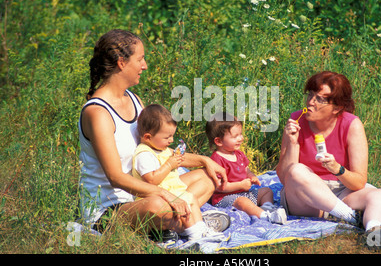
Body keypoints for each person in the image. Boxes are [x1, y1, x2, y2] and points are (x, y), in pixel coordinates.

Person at [78, 29, 229, 241]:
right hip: (110, 209)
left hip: (144, 193)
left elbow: (159, 150)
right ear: (122, 62)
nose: (144, 65)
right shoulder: (98, 113)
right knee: (159, 205)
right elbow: (115, 177)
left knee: (208, 176)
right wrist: (164, 194)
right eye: (140, 59)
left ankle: (178, 222)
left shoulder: (134, 100)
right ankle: (186, 222)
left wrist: (204, 160)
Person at [276, 71, 381, 252]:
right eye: (310, 94)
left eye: (319, 99)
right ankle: (352, 218)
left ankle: (374, 235)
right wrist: (292, 143)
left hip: (340, 191)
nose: (310, 102)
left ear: (337, 107)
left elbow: (358, 182)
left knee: (380, 194)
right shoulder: (296, 120)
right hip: (305, 198)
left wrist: (337, 169)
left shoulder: (351, 124)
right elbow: (284, 178)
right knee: (296, 170)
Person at [132, 103, 226, 241]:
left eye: (172, 136)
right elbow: (151, 180)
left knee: (190, 198)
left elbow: (181, 160)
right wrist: (169, 164)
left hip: (170, 189)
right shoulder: (144, 154)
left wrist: (199, 159)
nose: (171, 140)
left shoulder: (160, 148)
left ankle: (199, 229)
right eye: (167, 137)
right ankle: (194, 234)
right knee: (185, 202)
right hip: (156, 196)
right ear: (147, 137)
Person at [206, 112, 287, 224]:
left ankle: (267, 208)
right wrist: (240, 185)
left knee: (267, 191)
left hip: (243, 192)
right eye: (235, 136)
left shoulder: (238, 154)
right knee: (242, 202)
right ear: (218, 141)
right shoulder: (216, 160)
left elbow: (246, 169)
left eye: (240, 134)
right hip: (224, 198)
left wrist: (251, 176)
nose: (241, 138)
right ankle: (265, 216)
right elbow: (219, 187)